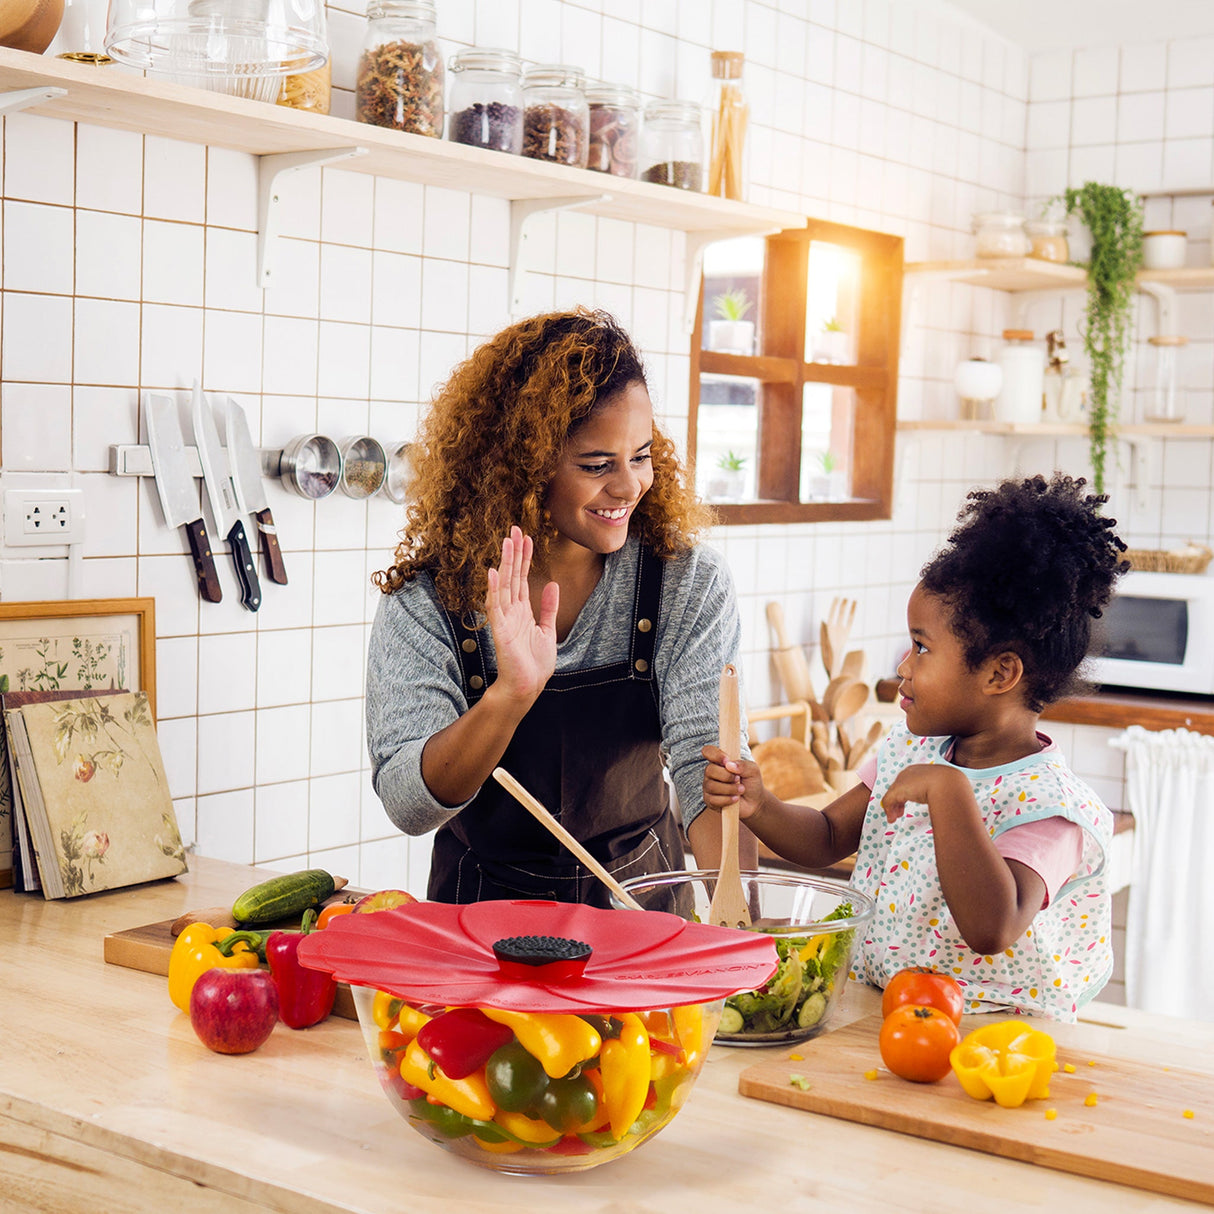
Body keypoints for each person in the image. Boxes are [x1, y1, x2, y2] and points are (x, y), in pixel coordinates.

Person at [703, 474, 1129, 1021]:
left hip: (991, 1034)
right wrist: (760, 805)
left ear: (1000, 673)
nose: (903, 666)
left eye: (922, 648)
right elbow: (827, 836)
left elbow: (992, 927)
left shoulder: (1052, 810)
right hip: (884, 1012)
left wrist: (949, 792)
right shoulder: (910, 750)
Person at [367, 307, 754, 906]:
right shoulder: (430, 601)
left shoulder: (687, 582)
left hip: (642, 910)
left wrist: (736, 914)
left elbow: (708, 772)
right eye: (597, 465)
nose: (628, 486)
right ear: (521, 466)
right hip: (482, 918)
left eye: (641, 456)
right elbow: (407, 804)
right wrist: (508, 697)